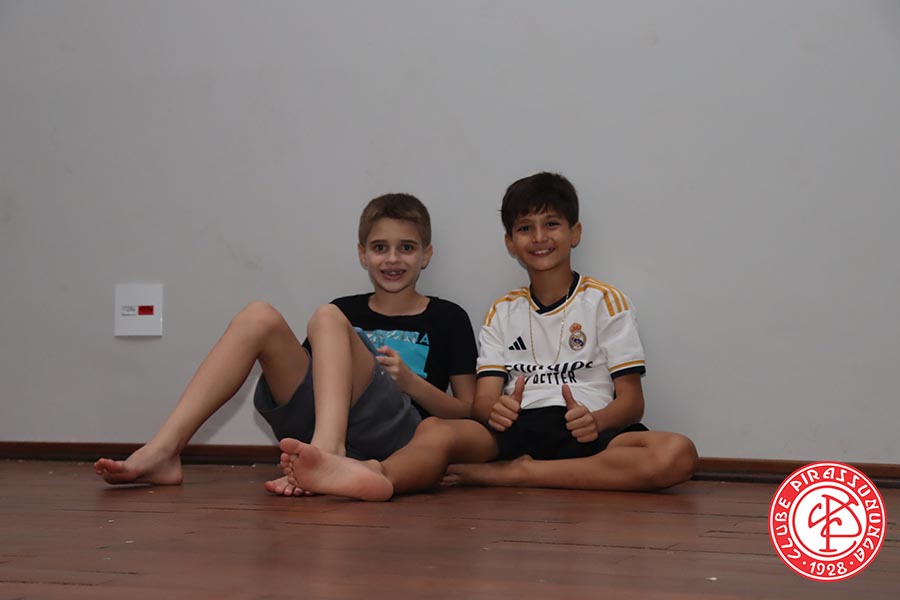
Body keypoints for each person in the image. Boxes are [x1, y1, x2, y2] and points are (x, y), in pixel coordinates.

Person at [277, 172, 698, 500]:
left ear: (575, 232)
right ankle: (376, 475)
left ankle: (518, 474)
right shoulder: (502, 310)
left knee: (676, 453)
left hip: (586, 426)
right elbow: (480, 403)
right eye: (525, 228)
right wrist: (496, 410)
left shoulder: (606, 300)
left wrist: (597, 421)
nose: (539, 238)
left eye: (551, 224)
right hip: (518, 426)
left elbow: (632, 401)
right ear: (510, 243)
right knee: (437, 431)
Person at [93, 193, 477, 496]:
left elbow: (468, 411)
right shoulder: (345, 310)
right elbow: (312, 381)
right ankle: (164, 449)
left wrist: (411, 384)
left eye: (406, 247)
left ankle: (326, 453)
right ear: (362, 254)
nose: (393, 259)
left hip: (398, 436)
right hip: (325, 422)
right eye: (380, 247)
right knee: (258, 316)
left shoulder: (448, 316)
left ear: (426, 254)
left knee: (326, 316)